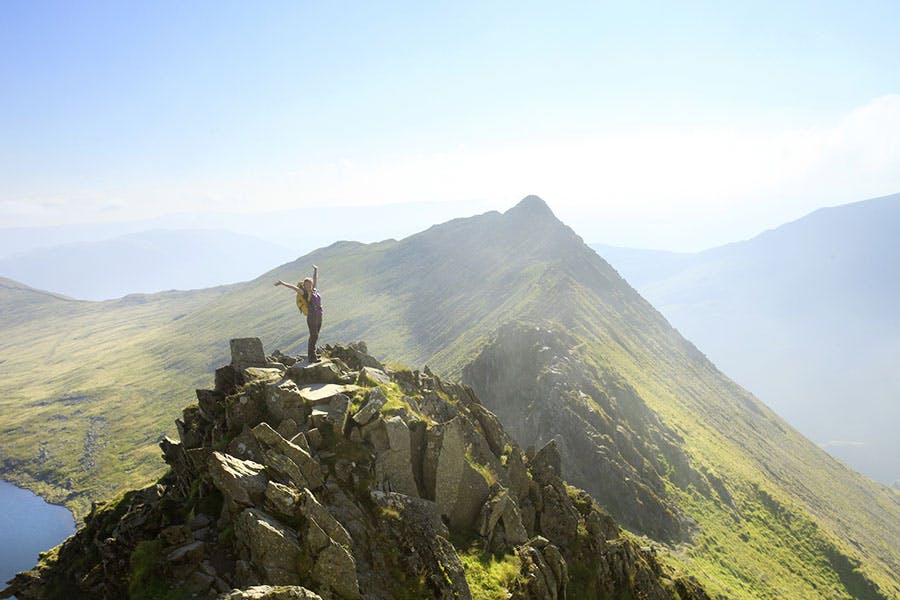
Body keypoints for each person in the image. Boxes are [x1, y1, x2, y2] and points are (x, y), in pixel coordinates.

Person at [274, 265, 323, 363]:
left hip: (319, 314)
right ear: (304, 285)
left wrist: (316, 269)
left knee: (316, 335)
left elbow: (315, 279)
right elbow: (293, 287)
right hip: (312, 316)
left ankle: (313, 354)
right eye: (306, 285)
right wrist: (282, 283)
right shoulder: (304, 293)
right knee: (313, 335)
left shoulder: (314, 290)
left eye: (309, 284)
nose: (307, 286)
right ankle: (312, 357)